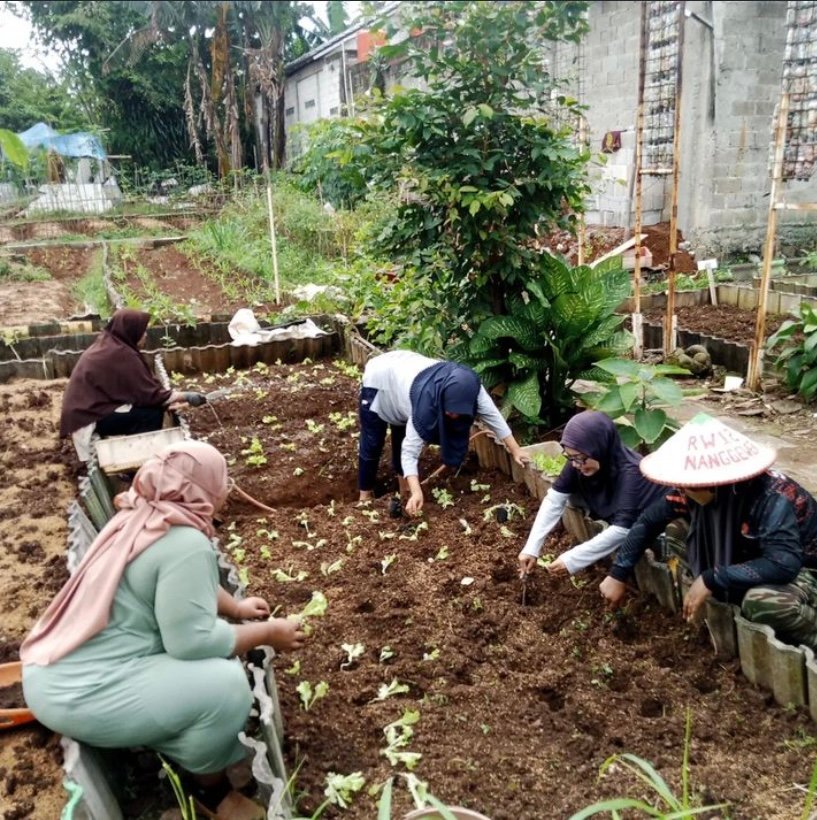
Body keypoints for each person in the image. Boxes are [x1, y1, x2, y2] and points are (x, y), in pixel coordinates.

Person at [21, 440, 304, 805]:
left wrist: (234, 608)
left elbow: (178, 581)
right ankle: (210, 790)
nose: (227, 490)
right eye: (221, 481)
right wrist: (268, 633)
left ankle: (175, 736)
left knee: (211, 666)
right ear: (199, 490)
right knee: (226, 685)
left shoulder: (143, 516)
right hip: (81, 694)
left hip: (57, 678)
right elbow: (191, 642)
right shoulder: (184, 541)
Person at [598, 413, 817, 651]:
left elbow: (783, 564)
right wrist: (618, 573)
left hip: (810, 573)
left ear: (712, 483)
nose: (681, 491)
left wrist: (712, 578)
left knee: (763, 602)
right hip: (757, 555)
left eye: (686, 487)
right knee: (673, 532)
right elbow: (648, 522)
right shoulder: (699, 493)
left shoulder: (771, 498)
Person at [358, 350, 528, 514]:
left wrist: (515, 449)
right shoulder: (425, 405)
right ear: (441, 399)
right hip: (380, 381)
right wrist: (418, 492)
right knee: (373, 442)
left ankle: (404, 493)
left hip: (404, 380)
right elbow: (409, 452)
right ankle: (364, 497)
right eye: (449, 410)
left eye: (458, 412)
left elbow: (494, 417)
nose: (453, 415)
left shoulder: (472, 389)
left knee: (400, 436)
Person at [518, 411, 663, 577]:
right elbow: (554, 500)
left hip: (655, 532)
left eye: (579, 458)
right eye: (570, 457)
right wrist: (531, 548)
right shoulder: (579, 461)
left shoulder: (632, 473)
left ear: (599, 448)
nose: (576, 465)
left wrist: (571, 559)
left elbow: (622, 530)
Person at [59, 309, 204, 461]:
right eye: (143, 331)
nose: (146, 335)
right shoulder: (121, 354)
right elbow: (149, 395)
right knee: (149, 414)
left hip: (84, 411)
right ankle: (137, 462)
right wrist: (186, 396)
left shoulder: (110, 343)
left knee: (150, 408)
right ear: (130, 330)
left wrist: (167, 401)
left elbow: (137, 391)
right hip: (87, 418)